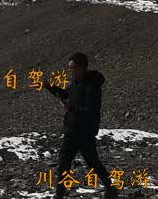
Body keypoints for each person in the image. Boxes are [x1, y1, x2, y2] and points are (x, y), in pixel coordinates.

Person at [46, 52, 118, 199]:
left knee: (92, 163)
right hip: (72, 130)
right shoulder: (75, 83)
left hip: (85, 132)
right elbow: (68, 94)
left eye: (72, 67)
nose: (70, 70)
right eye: (69, 67)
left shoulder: (93, 87)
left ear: (81, 68)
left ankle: (111, 189)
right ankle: (59, 195)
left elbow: (91, 111)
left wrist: (71, 108)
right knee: (63, 163)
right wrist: (52, 88)